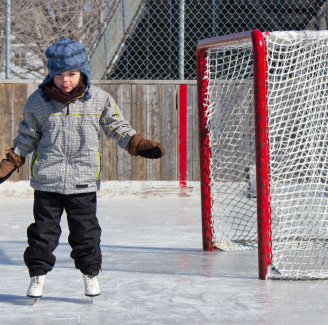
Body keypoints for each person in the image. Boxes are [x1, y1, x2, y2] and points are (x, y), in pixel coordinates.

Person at [0, 38, 165, 301]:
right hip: (47, 181)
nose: (65, 80)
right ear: (50, 74)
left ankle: (90, 275)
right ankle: (37, 276)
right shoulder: (38, 102)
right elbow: (27, 137)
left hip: (83, 181)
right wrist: (11, 161)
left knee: (86, 233)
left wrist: (136, 143)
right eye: (59, 74)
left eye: (72, 74)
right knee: (42, 234)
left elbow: (116, 127)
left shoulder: (99, 99)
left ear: (82, 72)